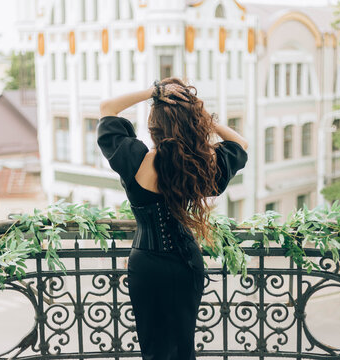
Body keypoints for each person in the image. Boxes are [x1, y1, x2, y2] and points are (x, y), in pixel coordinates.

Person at [97, 77, 248, 360]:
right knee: (183, 345)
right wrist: (200, 116)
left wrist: (154, 92)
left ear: (153, 127)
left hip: (146, 265)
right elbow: (239, 143)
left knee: (154, 349)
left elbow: (107, 108)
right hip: (185, 262)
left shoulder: (136, 160)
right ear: (192, 124)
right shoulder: (199, 165)